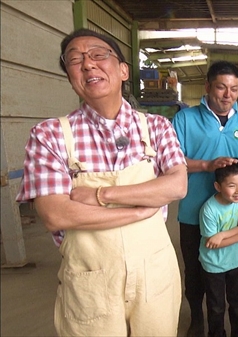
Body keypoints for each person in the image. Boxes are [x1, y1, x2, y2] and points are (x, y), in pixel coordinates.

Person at [15, 28, 187, 336]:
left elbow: (176, 186)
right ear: (70, 76)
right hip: (90, 281)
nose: (88, 64)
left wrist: (100, 194)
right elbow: (56, 213)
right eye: (75, 60)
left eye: (98, 55)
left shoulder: (157, 127)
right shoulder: (49, 135)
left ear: (123, 70)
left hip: (155, 275)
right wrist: (136, 211)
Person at [172, 60, 238, 336]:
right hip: (193, 213)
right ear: (208, 87)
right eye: (221, 87)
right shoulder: (185, 119)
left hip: (234, 215)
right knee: (196, 271)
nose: (228, 95)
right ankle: (198, 318)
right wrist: (205, 165)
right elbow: (172, 162)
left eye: (234, 89)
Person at [199, 160, 238, 337]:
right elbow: (212, 243)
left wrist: (222, 234)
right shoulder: (209, 210)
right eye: (232, 186)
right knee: (216, 307)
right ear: (218, 186)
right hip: (214, 265)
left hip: (236, 261)